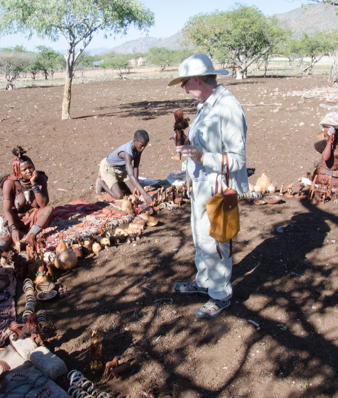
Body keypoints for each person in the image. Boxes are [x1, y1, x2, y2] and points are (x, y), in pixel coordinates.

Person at [169, 54, 248, 319]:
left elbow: (237, 159)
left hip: (218, 187)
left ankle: (220, 295)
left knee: (216, 241)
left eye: (185, 82)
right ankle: (204, 282)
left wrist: (202, 157)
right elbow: (206, 143)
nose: (183, 88)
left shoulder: (228, 107)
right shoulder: (206, 105)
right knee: (200, 237)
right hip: (201, 184)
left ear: (198, 79)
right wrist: (188, 146)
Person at [0, 146, 54, 256]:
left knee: (49, 210)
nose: (29, 171)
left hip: (34, 216)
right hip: (16, 218)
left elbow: (43, 204)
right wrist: (13, 228)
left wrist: (33, 183)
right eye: (24, 170)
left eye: (30, 167)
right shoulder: (9, 183)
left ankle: (29, 237)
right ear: (17, 171)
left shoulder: (40, 179)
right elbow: (7, 210)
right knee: (7, 233)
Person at [95, 130, 153, 205]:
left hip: (121, 169)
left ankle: (118, 183)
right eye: (141, 145)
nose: (143, 148)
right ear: (135, 141)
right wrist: (144, 193)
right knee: (119, 195)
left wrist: (136, 186)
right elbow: (131, 174)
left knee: (134, 190)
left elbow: (135, 166)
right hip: (109, 169)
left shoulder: (138, 148)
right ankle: (101, 183)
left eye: (145, 145)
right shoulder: (127, 151)